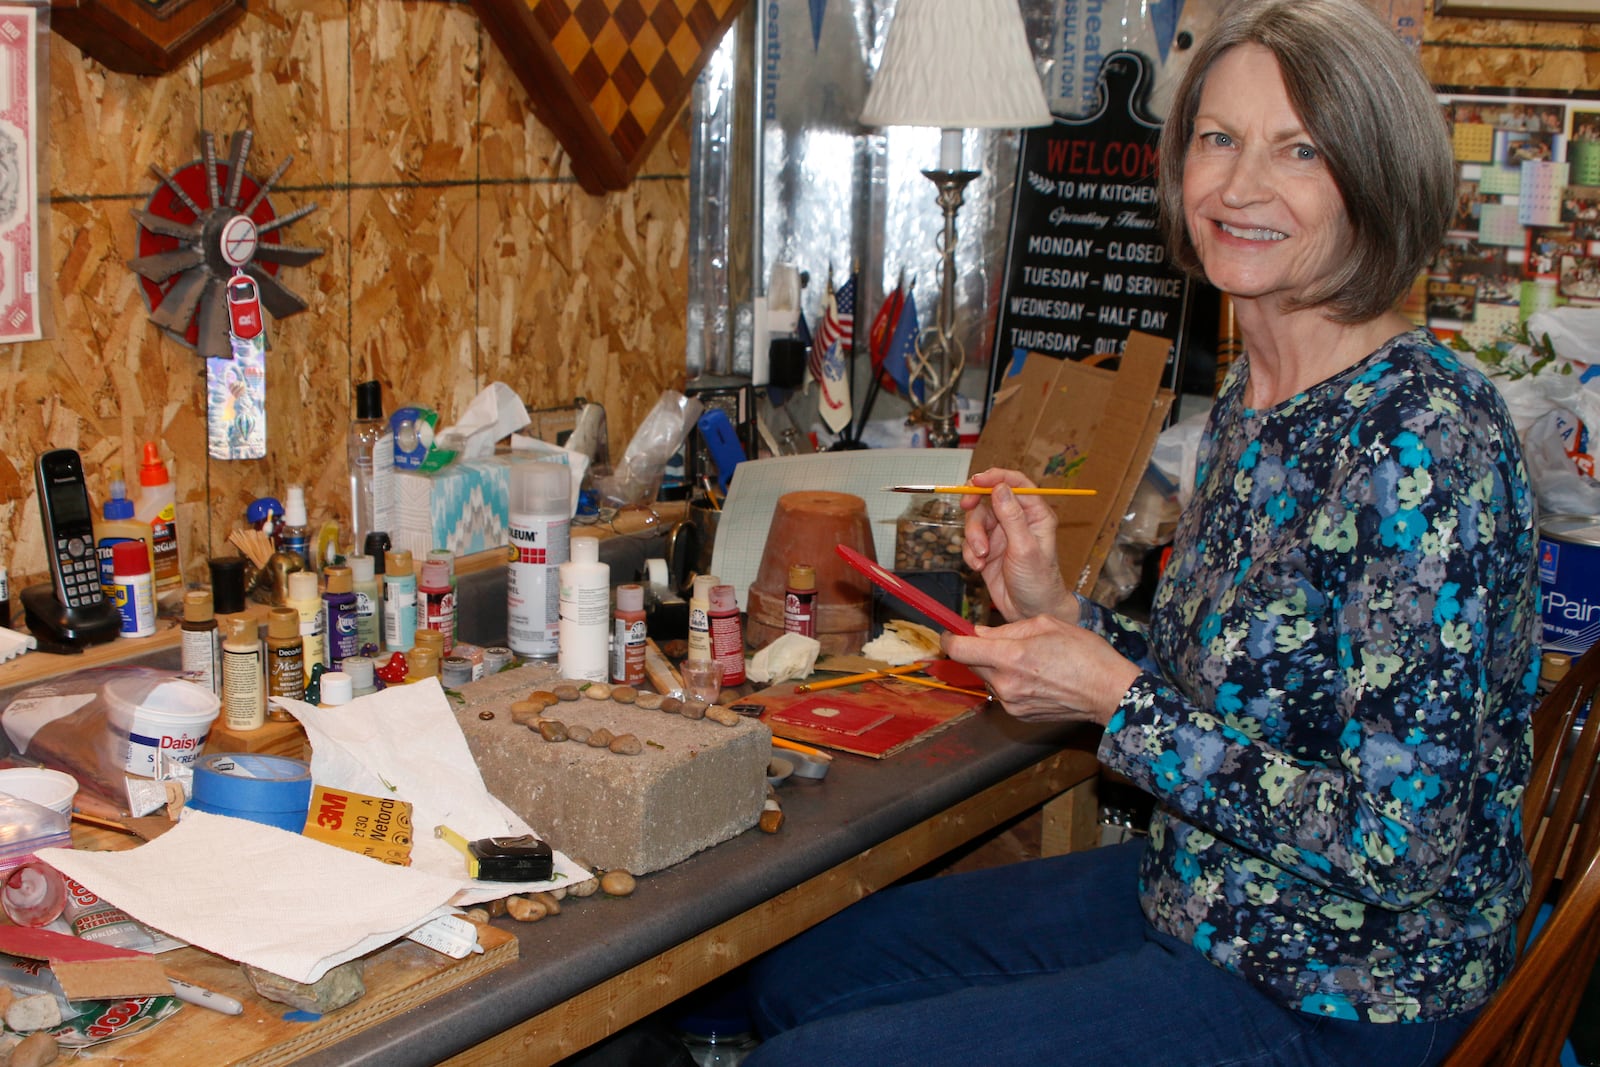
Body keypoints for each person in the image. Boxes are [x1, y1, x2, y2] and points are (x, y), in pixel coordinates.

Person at [742, 1, 1539, 1064]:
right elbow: (1226, 690)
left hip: (1352, 989)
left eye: (1297, 149)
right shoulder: (1255, 404)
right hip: (1207, 896)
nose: (1239, 186)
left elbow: (1403, 846)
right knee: (801, 971)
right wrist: (1056, 609)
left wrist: (1112, 699)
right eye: (1218, 139)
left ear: (1375, 178)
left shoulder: (1420, 444)